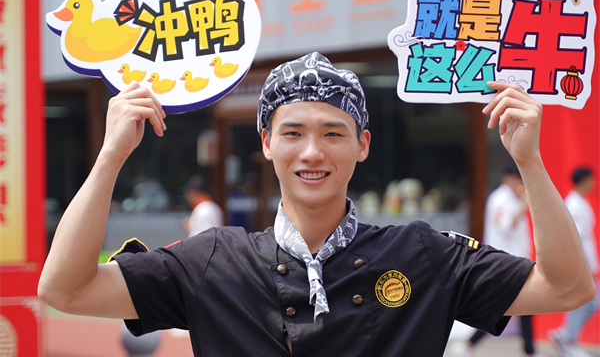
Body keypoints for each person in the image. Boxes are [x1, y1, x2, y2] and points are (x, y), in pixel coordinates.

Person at [38, 52, 595, 356]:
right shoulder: (212, 262)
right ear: (266, 143)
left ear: (362, 145)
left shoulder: (423, 255)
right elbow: (65, 289)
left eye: (333, 133)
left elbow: (567, 288)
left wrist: (530, 162)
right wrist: (111, 156)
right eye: (292, 132)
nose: (311, 152)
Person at [464, 163, 535, 356]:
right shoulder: (500, 199)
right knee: (501, 308)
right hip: (506, 262)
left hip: (516, 260)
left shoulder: (511, 198)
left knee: (519, 306)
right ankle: (470, 344)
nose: (520, 183)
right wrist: (524, 204)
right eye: (517, 179)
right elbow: (504, 226)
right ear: (507, 178)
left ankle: (529, 349)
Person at [551, 168, 599, 357]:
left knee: (588, 301)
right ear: (584, 180)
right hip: (580, 262)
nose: (594, 183)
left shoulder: (582, 202)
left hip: (586, 261)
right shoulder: (574, 204)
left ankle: (565, 335)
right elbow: (576, 236)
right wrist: (583, 265)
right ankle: (568, 340)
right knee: (586, 300)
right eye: (591, 180)